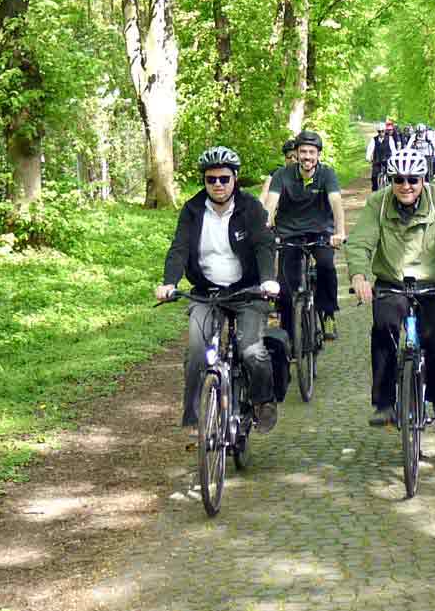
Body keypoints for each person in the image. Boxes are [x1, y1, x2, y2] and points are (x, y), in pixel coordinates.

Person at [346, 147, 435, 433]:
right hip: (392, 282)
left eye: (413, 179)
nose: (406, 185)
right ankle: (384, 404)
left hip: (434, 283)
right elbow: (359, 242)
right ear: (390, 180)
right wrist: (359, 276)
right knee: (384, 329)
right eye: (399, 179)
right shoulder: (378, 203)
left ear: (423, 179)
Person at [156, 147, 281, 434]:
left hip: (248, 291)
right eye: (211, 179)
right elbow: (179, 249)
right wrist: (170, 283)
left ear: (235, 178)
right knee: (198, 352)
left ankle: (263, 402)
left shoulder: (250, 208)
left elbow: (264, 245)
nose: (218, 185)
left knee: (251, 351)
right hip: (206, 292)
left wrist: (268, 280)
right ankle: (194, 418)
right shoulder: (192, 210)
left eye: (224, 179)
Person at [262, 129, 347, 341]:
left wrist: (340, 232)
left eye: (311, 152)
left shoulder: (327, 174)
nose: (307, 156)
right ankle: (288, 333)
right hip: (289, 232)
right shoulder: (283, 175)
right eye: (303, 152)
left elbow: (336, 203)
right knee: (285, 283)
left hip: (320, 232)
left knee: (326, 266)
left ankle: (327, 313)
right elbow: (271, 204)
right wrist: (265, 229)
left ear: (318, 154)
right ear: (297, 154)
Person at [367, 123, 395, 191]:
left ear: (385, 131)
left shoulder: (390, 139)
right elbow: (370, 149)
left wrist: (394, 158)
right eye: (379, 131)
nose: (381, 133)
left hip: (387, 160)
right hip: (377, 160)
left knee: (391, 175)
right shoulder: (374, 140)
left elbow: (393, 150)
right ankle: (375, 193)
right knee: (374, 177)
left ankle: (392, 190)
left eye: (382, 131)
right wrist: (368, 157)